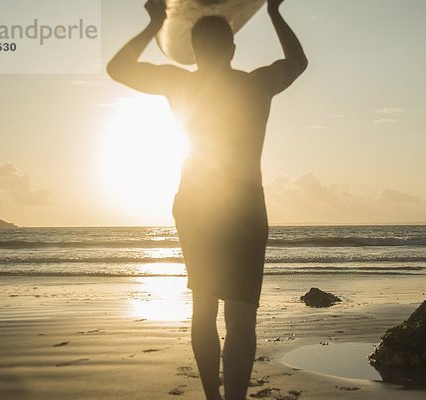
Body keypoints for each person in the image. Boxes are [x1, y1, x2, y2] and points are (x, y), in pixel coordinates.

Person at [107, 0, 307, 398]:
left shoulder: (180, 84)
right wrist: (273, 11)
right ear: (233, 49)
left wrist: (152, 24)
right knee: (241, 315)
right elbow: (297, 61)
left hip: (196, 205)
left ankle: (213, 398)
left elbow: (117, 69)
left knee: (204, 308)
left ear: (194, 51)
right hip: (245, 206)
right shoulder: (254, 84)